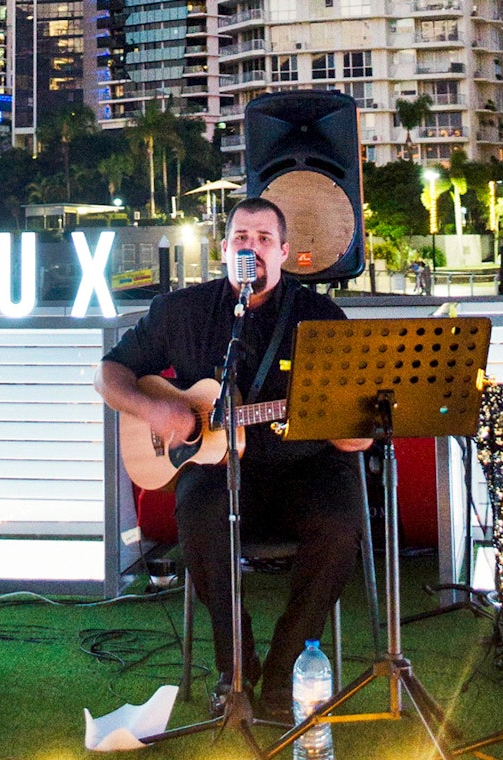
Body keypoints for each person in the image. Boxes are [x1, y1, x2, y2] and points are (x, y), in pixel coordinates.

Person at [94, 197, 372, 721]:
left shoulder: (320, 316)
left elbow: (354, 415)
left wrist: (351, 433)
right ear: (223, 249)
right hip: (213, 468)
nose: (252, 247)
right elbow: (108, 374)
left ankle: (289, 670)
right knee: (197, 520)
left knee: (340, 528)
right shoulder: (182, 310)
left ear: (285, 253)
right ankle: (236, 668)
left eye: (264, 239)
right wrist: (157, 408)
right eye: (242, 237)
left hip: (303, 469)